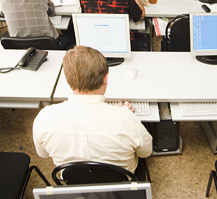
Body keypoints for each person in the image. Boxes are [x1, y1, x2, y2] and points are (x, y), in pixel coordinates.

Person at [33, 46, 152, 174]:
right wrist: (125, 114)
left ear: (68, 78)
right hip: (120, 183)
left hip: (74, 183)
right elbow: (146, 152)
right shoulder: (127, 119)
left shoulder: (44, 118)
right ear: (105, 79)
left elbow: (43, 154)